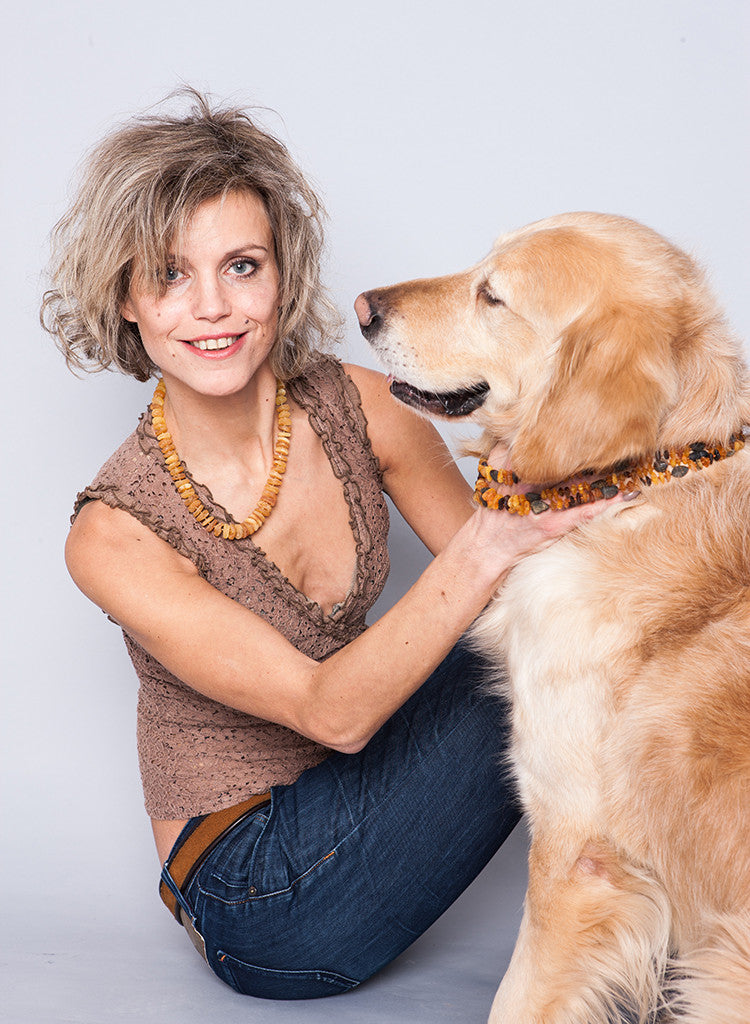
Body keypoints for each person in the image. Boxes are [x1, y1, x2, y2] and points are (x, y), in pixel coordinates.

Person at [42, 90, 614, 1000]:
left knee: (573, 628)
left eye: (241, 266)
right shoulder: (112, 534)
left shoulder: (366, 409)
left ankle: (670, 931)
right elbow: (330, 713)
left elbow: (530, 594)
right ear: (125, 298)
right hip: (254, 895)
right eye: (170, 275)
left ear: (283, 274)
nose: (213, 307)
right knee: (538, 651)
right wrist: (491, 543)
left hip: (366, 802)